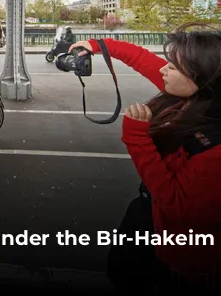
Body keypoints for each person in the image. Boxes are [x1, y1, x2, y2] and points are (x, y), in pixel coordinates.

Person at [68, 22, 221, 293]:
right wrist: (98, 45)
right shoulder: (196, 95)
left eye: (172, 66)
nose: (162, 69)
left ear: (202, 77)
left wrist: (137, 139)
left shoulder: (215, 146)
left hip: (184, 259)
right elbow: (140, 58)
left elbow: (178, 205)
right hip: (156, 222)